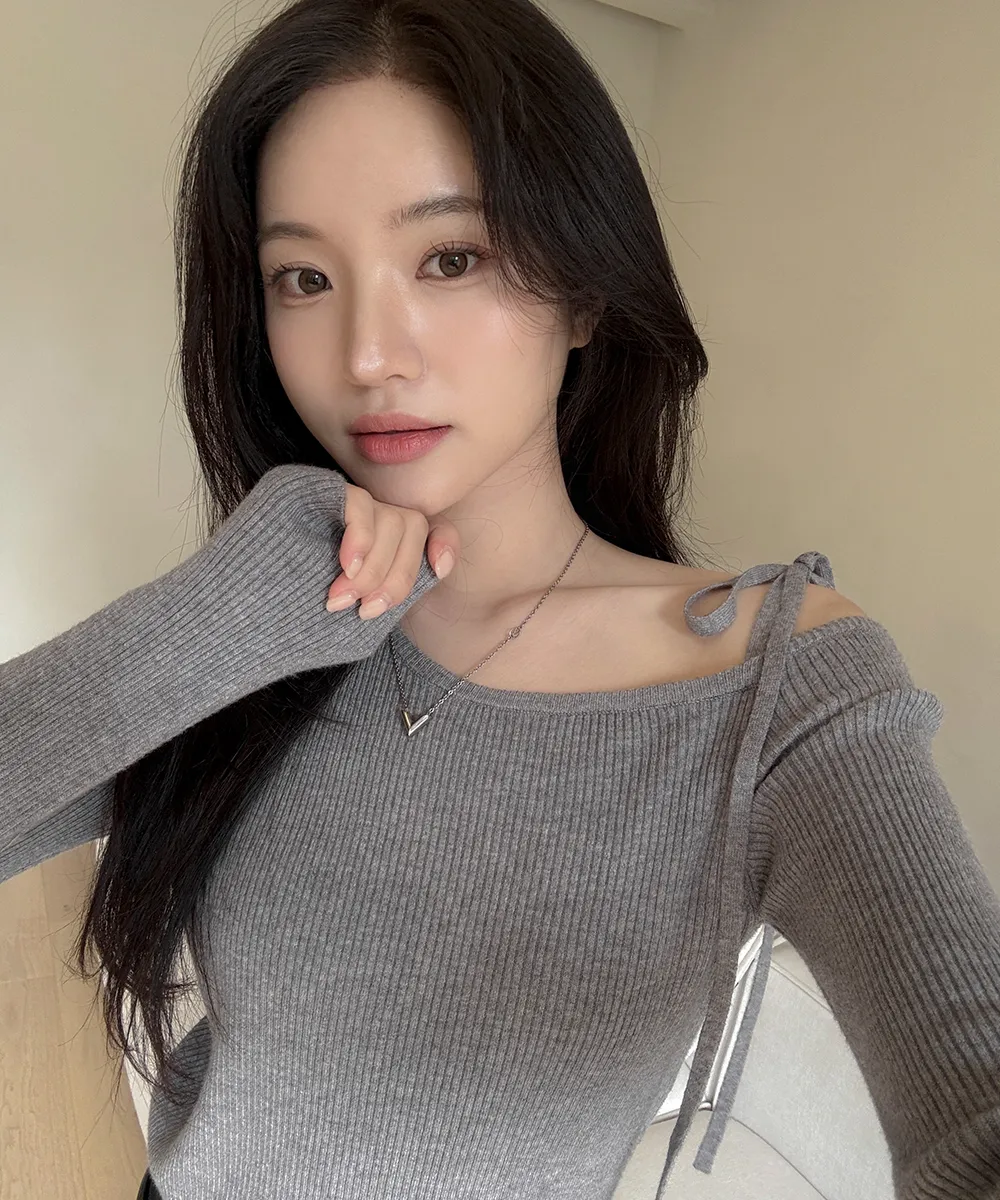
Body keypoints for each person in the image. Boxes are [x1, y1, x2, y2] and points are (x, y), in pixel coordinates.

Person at [3, 1, 999, 1198]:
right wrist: (221, 610)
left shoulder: (774, 688)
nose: (368, 354)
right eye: (303, 277)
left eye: (450, 258)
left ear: (584, 291)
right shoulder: (263, 623)